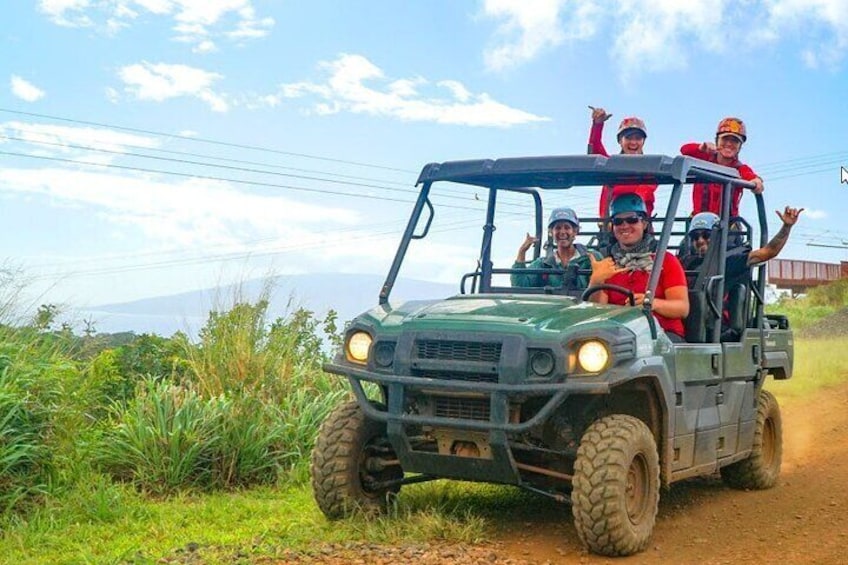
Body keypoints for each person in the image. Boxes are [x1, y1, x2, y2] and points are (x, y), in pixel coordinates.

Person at [681, 207, 803, 340]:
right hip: (687, 323)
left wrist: (786, 227)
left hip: (714, 329)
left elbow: (769, 251)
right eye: (695, 237)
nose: (700, 241)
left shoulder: (729, 260)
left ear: (718, 236)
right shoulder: (686, 262)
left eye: (706, 235)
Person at [587, 193, 689, 342]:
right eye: (618, 221)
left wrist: (651, 303)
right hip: (620, 336)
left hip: (662, 335)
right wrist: (595, 281)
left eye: (632, 219)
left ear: (644, 224)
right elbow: (597, 311)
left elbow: (682, 308)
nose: (625, 226)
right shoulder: (607, 264)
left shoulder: (665, 260)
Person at [681, 117, 765, 218]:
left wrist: (756, 181)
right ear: (717, 141)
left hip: (728, 226)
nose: (729, 144)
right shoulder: (705, 159)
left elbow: (751, 177)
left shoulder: (739, 168)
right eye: (725, 139)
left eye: (735, 141)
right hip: (699, 222)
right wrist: (701, 147)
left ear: (740, 146)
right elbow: (684, 150)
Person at [588, 106, 658, 218]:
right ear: (620, 141)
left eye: (638, 138)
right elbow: (595, 153)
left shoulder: (650, 169)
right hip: (610, 227)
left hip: (639, 227)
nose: (633, 142)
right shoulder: (611, 166)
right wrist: (597, 125)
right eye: (629, 138)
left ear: (643, 141)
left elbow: (643, 193)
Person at [512, 207, 597, 289]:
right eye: (558, 228)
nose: (562, 232)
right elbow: (519, 286)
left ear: (575, 231)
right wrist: (522, 251)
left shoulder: (591, 258)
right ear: (551, 232)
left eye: (567, 227)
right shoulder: (544, 264)